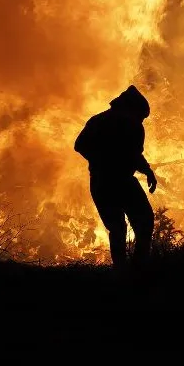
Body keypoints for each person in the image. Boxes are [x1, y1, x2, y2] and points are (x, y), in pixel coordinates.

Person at [74, 85, 157, 268]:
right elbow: (80, 145)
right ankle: (129, 271)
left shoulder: (104, 122)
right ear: (130, 108)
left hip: (114, 182)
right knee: (129, 226)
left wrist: (147, 171)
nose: (141, 121)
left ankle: (131, 269)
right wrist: (104, 161)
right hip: (111, 182)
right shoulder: (108, 123)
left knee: (134, 224)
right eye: (140, 116)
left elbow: (134, 155)